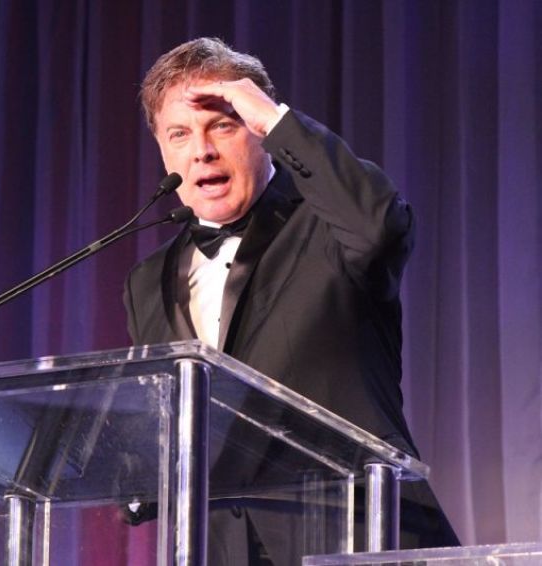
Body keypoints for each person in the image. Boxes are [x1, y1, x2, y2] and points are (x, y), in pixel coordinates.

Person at [123, 37, 459, 564]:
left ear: (260, 135)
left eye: (224, 125)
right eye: (180, 134)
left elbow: (380, 227)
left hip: (359, 540)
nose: (202, 150)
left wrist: (276, 120)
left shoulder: (330, 227)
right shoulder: (148, 280)